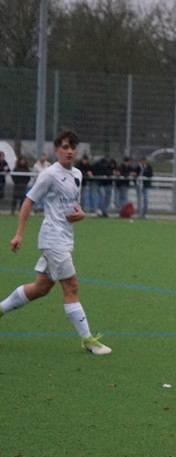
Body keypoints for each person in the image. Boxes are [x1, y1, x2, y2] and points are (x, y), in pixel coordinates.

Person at [0, 130, 111, 355]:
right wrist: (19, 234)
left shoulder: (77, 174)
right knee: (71, 286)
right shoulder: (49, 174)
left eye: (73, 147)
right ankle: (88, 339)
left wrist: (81, 214)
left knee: (40, 288)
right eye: (65, 147)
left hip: (65, 239)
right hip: (53, 239)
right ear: (56, 149)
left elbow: (75, 207)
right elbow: (28, 201)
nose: (69, 151)